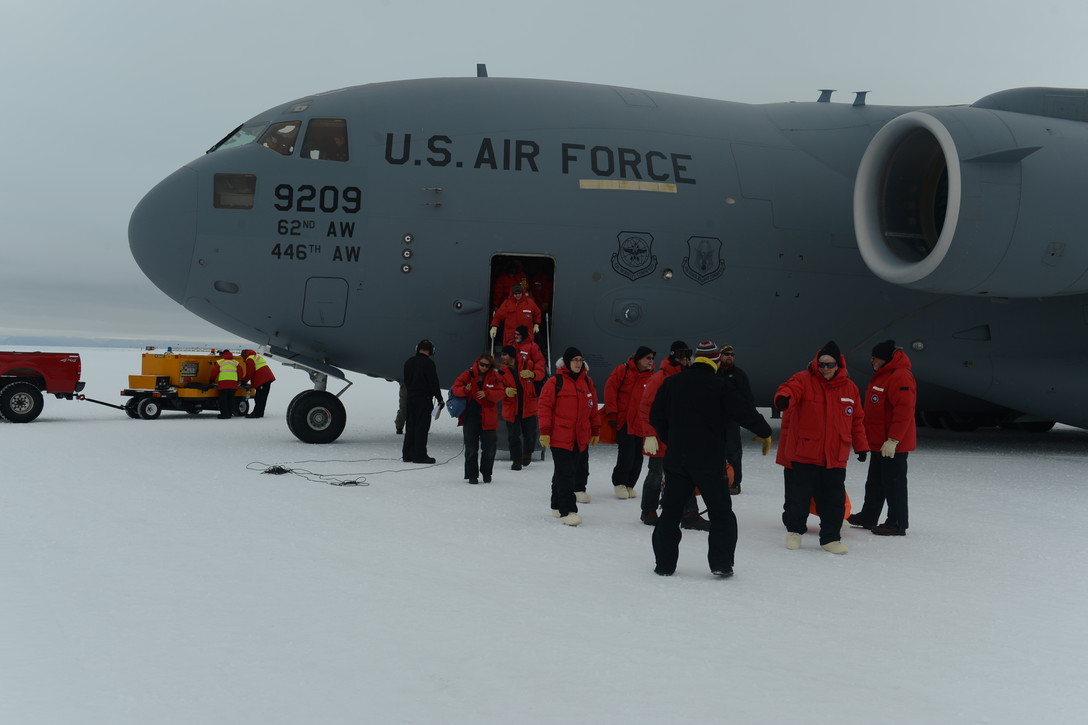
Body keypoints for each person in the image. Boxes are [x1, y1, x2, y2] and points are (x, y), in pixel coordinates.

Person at [649, 340, 773, 577]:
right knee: (721, 513)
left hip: (678, 460)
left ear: (696, 359)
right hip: (709, 461)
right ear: (716, 361)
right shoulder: (721, 385)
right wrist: (765, 431)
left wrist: (672, 439)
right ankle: (721, 563)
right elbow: (743, 411)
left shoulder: (672, 383)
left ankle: (664, 565)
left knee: (671, 512)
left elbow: (656, 416)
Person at [774, 341, 869, 554]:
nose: (824, 368)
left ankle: (830, 538)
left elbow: (857, 420)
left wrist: (861, 446)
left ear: (838, 364)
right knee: (798, 497)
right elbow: (789, 389)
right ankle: (795, 532)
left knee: (834, 500)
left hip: (835, 455)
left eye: (829, 364)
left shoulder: (850, 388)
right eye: (821, 364)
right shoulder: (803, 379)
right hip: (805, 452)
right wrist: (783, 399)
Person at [849, 339, 917, 536]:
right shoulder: (883, 375)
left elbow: (904, 411)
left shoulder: (901, 377)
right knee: (875, 482)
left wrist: (894, 439)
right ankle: (868, 516)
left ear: (885, 358)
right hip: (879, 443)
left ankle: (897, 523)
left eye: (875, 358)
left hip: (893, 445)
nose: (872, 361)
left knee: (894, 484)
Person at [637, 341, 705, 529]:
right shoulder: (659, 378)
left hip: (682, 437)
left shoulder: (690, 377)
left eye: (687, 355)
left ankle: (689, 513)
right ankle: (648, 510)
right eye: (681, 355)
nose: (685, 359)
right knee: (656, 473)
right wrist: (649, 435)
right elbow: (645, 407)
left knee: (686, 475)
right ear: (674, 356)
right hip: (660, 436)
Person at [537, 347, 601, 526]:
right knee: (566, 473)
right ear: (566, 362)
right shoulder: (555, 382)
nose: (578, 363)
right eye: (574, 360)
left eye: (580, 360)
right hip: (559, 435)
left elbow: (593, 408)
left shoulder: (587, 382)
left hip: (579, 437)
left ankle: (556, 505)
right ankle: (568, 511)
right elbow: (544, 408)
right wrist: (545, 432)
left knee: (563, 471)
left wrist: (595, 430)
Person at [604, 346, 655, 499]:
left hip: (641, 423)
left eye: (652, 358)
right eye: (648, 358)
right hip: (624, 421)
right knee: (627, 454)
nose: (651, 361)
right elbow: (610, 389)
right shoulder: (622, 370)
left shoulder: (651, 377)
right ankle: (619, 483)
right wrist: (612, 413)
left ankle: (629, 484)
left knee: (638, 457)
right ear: (639, 359)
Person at [452, 354, 505, 484]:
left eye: (487, 365)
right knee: (471, 448)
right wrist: (465, 389)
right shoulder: (468, 374)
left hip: (489, 418)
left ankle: (487, 473)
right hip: (471, 417)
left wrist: (487, 394)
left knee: (490, 449)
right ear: (478, 363)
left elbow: (501, 393)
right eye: (482, 364)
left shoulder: (495, 377)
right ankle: (472, 475)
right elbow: (455, 390)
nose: (484, 367)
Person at [717, 344, 754, 495]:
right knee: (715, 451)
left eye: (732, 354)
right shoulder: (714, 373)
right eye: (726, 354)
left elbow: (748, 398)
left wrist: (749, 418)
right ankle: (718, 480)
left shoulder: (739, 374)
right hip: (715, 419)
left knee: (733, 452)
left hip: (732, 420)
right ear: (720, 356)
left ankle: (734, 482)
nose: (729, 356)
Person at [498, 344, 542, 470]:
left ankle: (527, 453)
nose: (502, 357)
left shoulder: (527, 364)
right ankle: (516, 460)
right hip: (512, 408)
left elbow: (541, 373)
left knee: (530, 433)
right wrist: (505, 390)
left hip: (528, 406)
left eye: (504, 354)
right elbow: (497, 386)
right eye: (502, 354)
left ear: (511, 355)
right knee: (513, 435)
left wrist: (533, 374)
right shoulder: (501, 371)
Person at [402, 339, 444, 464]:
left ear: (417, 348)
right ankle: (420, 455)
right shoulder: (429, 364)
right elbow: (433, 383)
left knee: (410, 426)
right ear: (432, 351)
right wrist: (440, 398)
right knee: (422, 427)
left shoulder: (408, 362)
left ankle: (407, 454)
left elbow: (406, 381)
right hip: (424, 399)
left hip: (411, 398)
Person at [240, 349, 276, 418]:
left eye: (243, 356)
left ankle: (256, 413)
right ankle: (259, 413)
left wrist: (244, 381)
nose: (243, 358)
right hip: (267, 378)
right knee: (262, 397)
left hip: (262, 380)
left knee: (259, 397)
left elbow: (250, 371)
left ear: (245, 355)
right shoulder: (257, 357)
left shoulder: (250, 359)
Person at [210, 349, 244, 419]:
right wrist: (239, 380)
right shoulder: (235, 363)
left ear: (223, 355)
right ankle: (229, 413)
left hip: (223, 384)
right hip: (233, 385)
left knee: (223, 400)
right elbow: (240, 372)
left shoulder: (220, 362)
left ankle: (224, 414)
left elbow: (214, 371)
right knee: (231, 399)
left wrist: (211, 379)